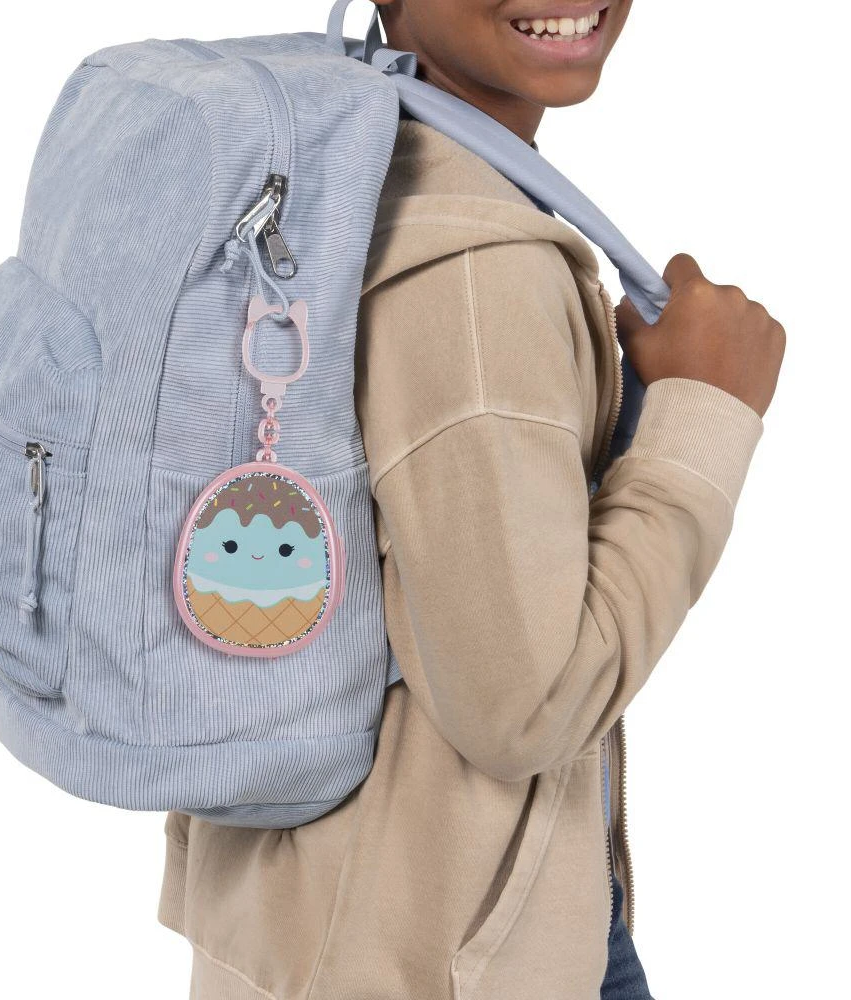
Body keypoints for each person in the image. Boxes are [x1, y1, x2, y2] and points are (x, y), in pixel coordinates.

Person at [156, 3, 786, 998]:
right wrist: (707, 411)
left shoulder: (334, 167)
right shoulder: (473, 268)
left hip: (315, 918)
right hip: (430, 957)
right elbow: (522, 710)